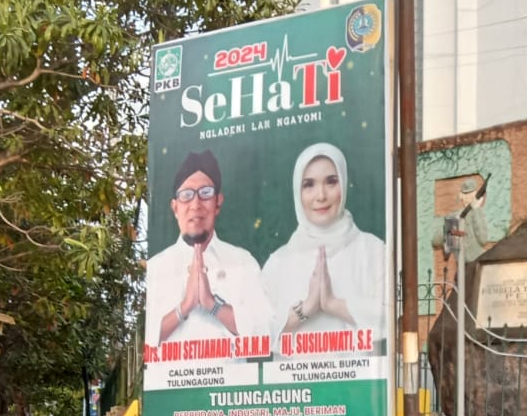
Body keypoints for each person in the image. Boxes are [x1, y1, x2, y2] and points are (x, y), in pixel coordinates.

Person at [147, 150, 272, 347]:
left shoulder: (242, 261)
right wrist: (185, 306)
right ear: (175, 208)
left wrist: (212, 305)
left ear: (218, 203)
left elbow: (266, 335)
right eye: (186, 195)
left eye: (205, 193)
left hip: (234, 378)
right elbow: (144, 340)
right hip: (172, 378)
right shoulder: (156, 267)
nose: (195, 204)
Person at [264, 143, 387, 338]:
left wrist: (333, 304)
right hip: (293, 370)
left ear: (344, 184)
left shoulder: (373, 251)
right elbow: (257, 331)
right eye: (309, 185)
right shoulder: (278, 263)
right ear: (298, 191)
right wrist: (305, 309)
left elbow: (395, 317)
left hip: (361, 369)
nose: (320, 196)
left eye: (331, 182)